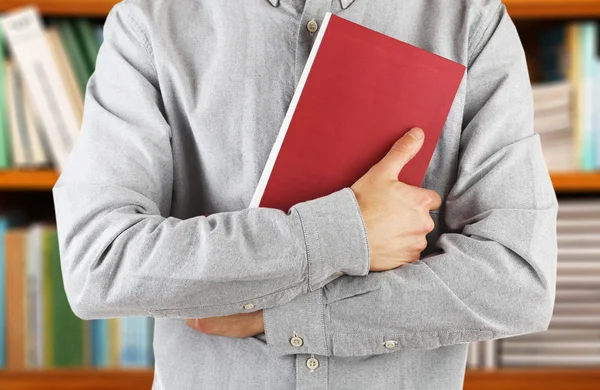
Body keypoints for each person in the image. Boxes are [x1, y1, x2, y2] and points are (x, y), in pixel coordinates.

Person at [53, 0, 558, 389]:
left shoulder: (470, 18)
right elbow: (99, 262)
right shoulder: (151, 21)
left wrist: (283, 317)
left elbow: (517, 278)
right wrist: (344, 231)